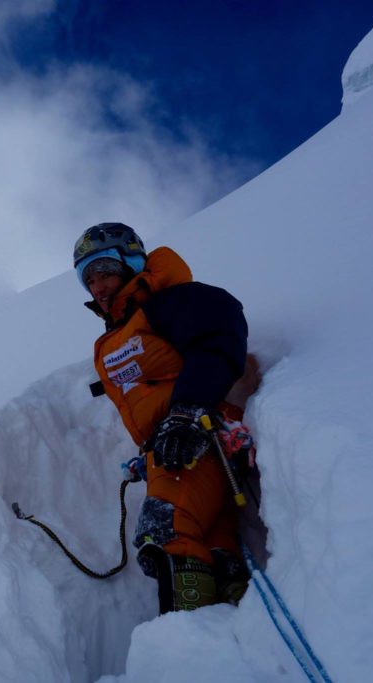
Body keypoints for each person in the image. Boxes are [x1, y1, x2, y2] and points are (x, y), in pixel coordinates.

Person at [74, 222, 251, 614]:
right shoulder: (114, 338)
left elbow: (218, 339)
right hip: (172, 447)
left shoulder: (172, 301)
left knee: (164, 528)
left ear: (131, 263)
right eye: (88, 279)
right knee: (213, 543)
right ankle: (234, 624)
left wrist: (187, 412)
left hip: (196, 438)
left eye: (105, 271)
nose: (98, 286)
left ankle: (191, 642)